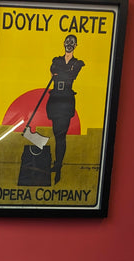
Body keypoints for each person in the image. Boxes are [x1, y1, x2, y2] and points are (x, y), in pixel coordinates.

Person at [46, 35, 85, 183]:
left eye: (72, 42)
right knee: (57, 135)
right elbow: (54, 71)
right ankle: (57, 165)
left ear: (76, 45)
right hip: (56, 100)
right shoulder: (56, 60)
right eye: (67, 41)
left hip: (66, 101)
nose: (69, 44)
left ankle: (58, 167)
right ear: (63, 43)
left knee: (61, 136)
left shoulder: (78, 63)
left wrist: (61, 74)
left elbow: (71, 76)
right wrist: (64, 73)